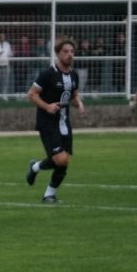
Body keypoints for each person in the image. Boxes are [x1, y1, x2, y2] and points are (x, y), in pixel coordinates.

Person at [24, 38, 84, 204]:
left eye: (72, 51)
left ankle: (48, 193)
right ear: (58, 54)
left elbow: (73, 94)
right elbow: (32, 94)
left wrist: (78, 103)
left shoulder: (73, 74)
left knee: (64, 161)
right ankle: (37, 170)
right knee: (60, 159)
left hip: (64, 121)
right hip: (47, 121)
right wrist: (47, 106)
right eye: (66, 51)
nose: (69, 54)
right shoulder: (48, 74)